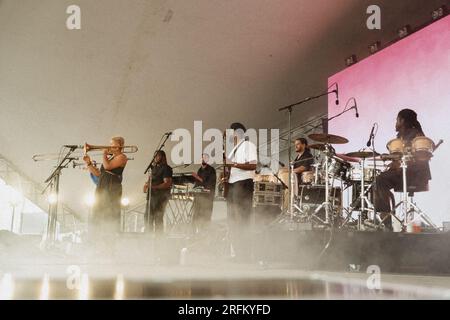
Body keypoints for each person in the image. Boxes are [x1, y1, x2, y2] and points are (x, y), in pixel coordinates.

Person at [374, 109, 431, 230]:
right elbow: (401, 159)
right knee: (378, 181)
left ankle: (386, 221)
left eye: (397, 120)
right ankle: (385, 215)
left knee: (380, 180)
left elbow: (410, 158)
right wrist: (392, 160)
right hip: (406, 173)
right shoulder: (401, 136)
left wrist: (392, 158)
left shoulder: (416, 136)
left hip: (415, 175)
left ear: (402, 121)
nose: (395, 123)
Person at [83, 136, 128, 240]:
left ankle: (108, 243)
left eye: (112, 144)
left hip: (112, 188)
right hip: (102, 186)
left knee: (109, 214)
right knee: (97, 214)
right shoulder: (110, 158)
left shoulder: (122, 157)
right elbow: (99, 174)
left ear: (119, 146)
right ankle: (95, 240)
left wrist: (104, 154)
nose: (109, 146)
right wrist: (88, 163)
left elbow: (108, 167)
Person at [225, 122, 257, 262]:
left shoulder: (248, 146)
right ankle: (237, 253)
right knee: (233, 219)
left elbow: (253, 165)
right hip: (233, 184)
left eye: (230, 131)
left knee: (242, 219)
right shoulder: (234, 149)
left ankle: (245, 255)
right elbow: (232, 167)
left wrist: (233, 164)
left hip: (243, 184)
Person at [143, 150, 173, 234]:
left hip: (160, 197)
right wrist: (146, 185)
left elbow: (167, 183)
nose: (155, 158)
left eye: (157, 156)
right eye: (154, 156)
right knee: (148, 217)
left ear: (163, 157)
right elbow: (150, 180)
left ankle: (158, 239)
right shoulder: (154, 168)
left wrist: (153, 187)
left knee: (158, 218)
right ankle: (148, 236)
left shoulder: (166, 168)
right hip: (151, 196)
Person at [192, 153, 217, 232]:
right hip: (199, 198)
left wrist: (198, 178)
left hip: (207, 198)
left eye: (205, 158)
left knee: (205, 217)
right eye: (202, 158)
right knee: (196, 216)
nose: (203, 159)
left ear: (207, 160)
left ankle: (205, 235)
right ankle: (196, 233)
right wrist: (193, 189)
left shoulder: (211, 170)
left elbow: (210, 184)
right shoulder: (199, 170)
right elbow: (198, 184)